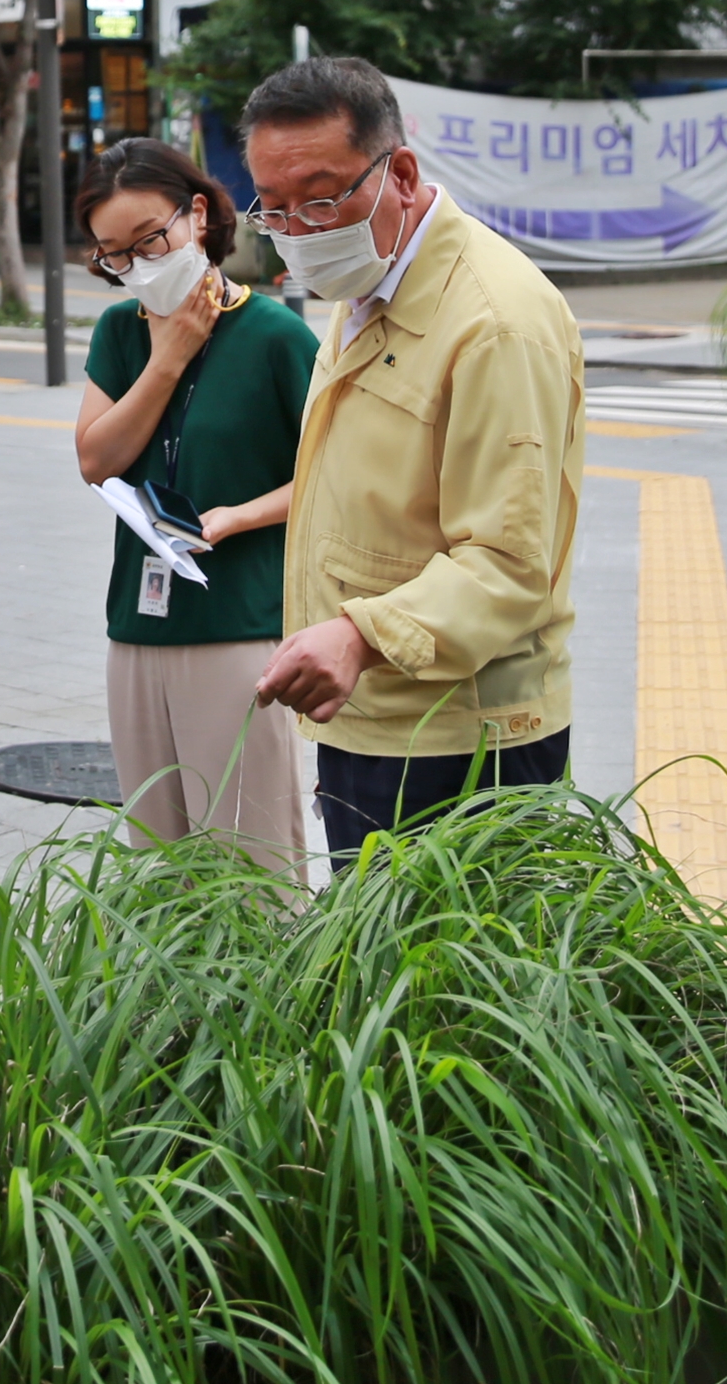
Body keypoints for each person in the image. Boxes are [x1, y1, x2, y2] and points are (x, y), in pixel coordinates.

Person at [241, 57, 585, 858]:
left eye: (323, 198)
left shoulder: (495, 320)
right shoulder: (372, 286)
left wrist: (358, 637)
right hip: (376, 711)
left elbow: (506, 560)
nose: (301, 231)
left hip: (465, 740)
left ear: (399, 172)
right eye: (277, 211)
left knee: (448, 976)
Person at [74, 140, 318, 877]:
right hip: (137, 627)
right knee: (159, 866)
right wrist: (169, 355)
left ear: (198, 215)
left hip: (240, 626)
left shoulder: (277, 336)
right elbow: (96, 457)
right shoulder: (123, 332)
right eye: (115, 253)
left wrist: (237, 516)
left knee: (254, 865)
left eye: (151, 238)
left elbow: (330, 476)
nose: (140, 262)